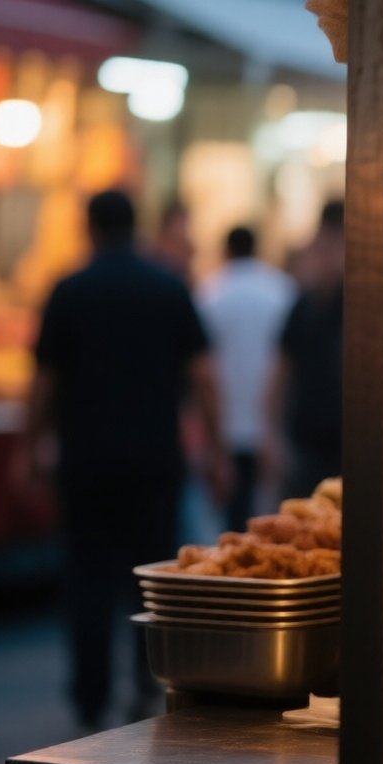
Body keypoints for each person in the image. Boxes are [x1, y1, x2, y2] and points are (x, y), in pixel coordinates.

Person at [24, 190, 227, 729]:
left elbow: (44, 383)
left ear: (89, 229)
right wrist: (216, 450)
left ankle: (89, 699)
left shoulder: (69, 291)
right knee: (153, 580)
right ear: (136, 226)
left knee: (88, 581)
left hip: (86, 462)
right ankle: (146, 683)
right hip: (154, 461)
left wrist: (28, 449)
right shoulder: (168, 288)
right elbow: (204, 377)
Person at [196, 226, 296, 532]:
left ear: (226, 251)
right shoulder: (283, 290)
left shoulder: (209, 293)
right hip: (272, 422)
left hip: (226, 421)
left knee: (231, 519)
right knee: (274, 517)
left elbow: (203, 367)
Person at [273, 201, 343, 498]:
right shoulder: (303, 307)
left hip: (353, 452)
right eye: (322, 247)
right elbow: (277, 377)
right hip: (306, 451)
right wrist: (272, 439)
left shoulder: (368, 310)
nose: (326, 257)